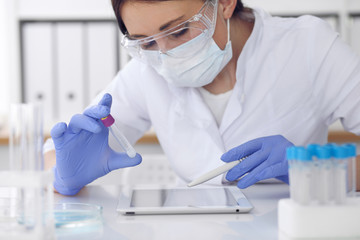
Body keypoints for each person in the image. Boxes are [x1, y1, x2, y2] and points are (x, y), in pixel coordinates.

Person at [45, 0, 360, 195]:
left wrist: (315, 169)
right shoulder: (146, 70)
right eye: (146, 42)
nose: (165, 55)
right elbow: (56, 153)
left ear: (224, 3)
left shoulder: (309, 47)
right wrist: (64, 174)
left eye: (179, 31)